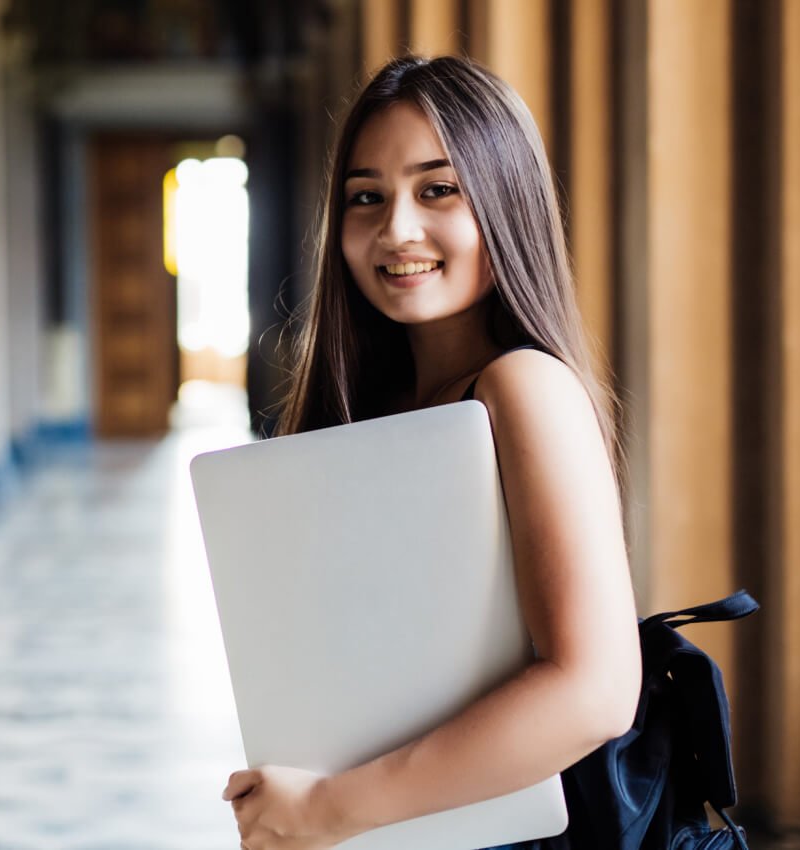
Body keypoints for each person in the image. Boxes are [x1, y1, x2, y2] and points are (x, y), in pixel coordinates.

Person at [219, 55, 641, 850]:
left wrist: (329, 808)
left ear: (506, 202)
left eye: (437, 189)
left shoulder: (522, 388)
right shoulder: (373, 408)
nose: (396, 230)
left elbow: (595, 691)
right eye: (366, 198)